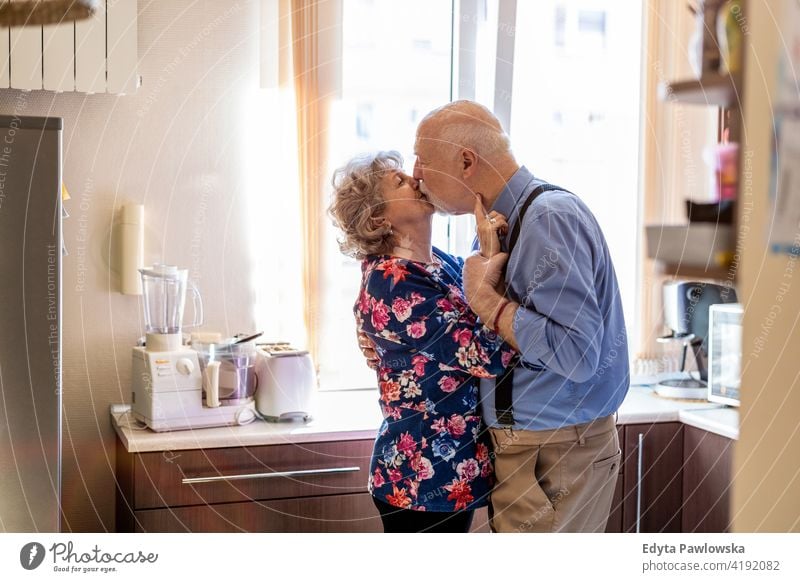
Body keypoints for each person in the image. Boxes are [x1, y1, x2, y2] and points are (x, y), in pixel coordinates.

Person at [411, 100, 630, 533]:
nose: (416, 173)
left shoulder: (548, 219)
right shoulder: (516, 220)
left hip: (556, 451)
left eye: (422, 159)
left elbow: (577, 352)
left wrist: (488, 304)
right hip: (542, 448)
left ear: (467, 161)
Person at [329, 150, 516, 533]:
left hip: (447, 471)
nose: (415, 178)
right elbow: (490, 353)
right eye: (399, 181)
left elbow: (472, 309)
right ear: (379, 217)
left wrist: (487, 252)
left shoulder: (439, 263)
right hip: (420, 478)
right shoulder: (391, 282)